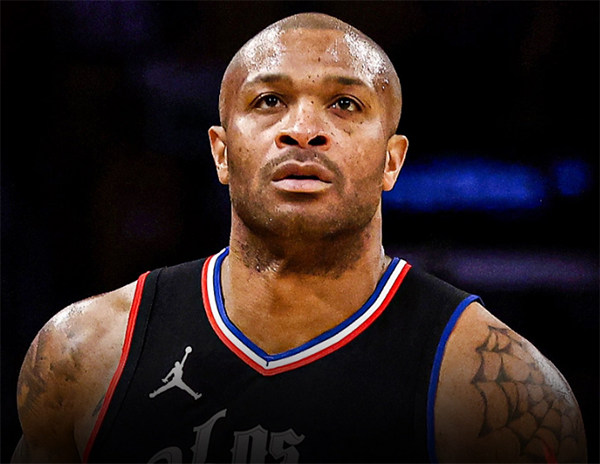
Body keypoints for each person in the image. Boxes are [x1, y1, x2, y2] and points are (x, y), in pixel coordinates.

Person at [12, 12, 587, 464]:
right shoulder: (87, 352)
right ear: (221, 152)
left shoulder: (499, 388)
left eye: (345, 104)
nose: (304, 130)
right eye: (269, 101)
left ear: (392, 160)